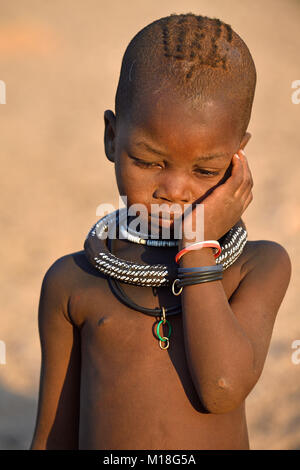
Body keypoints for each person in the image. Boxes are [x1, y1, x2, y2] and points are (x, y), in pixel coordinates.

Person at [30, 13, 291, 450]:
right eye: (149, 161)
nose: (173, 190)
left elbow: (222, 386)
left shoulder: (258, 266)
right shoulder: (72, 283)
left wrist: (198, 245)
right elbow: (53, 437)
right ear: (113, 138)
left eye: (206, 170)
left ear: (236, 160)